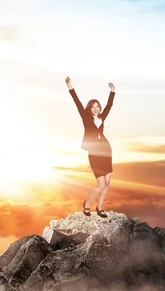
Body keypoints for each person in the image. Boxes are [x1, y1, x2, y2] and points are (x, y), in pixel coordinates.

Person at [65, 76, 115, 218]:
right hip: (94, 152)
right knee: (100, 184)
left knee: (107, 183)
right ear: (90, 108)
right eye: (93, 107)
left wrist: (112, 91)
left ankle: (100, 207)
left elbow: (109, 106)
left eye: (97, 107)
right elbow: (77, 102)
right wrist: (70, 86)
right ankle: (87, 203)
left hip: (106, 150)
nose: (96, 109)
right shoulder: (86, 117)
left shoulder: (102, 117)